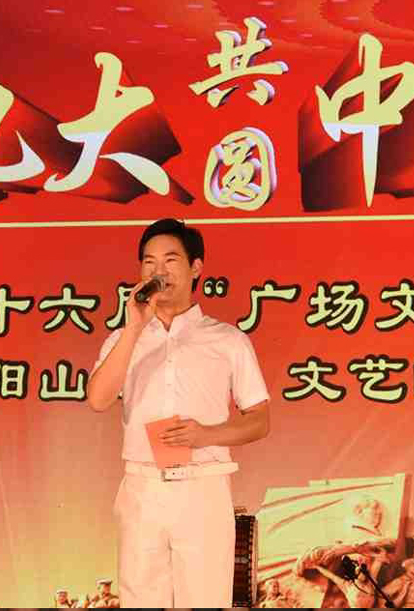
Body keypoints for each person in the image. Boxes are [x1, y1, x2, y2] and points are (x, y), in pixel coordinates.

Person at [87, 219, 271, 607]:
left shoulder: (227, 340)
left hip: (203, 486)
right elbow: (98, 399)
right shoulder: (124, 339)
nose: (159, 271)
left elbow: (260, 419)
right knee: (141, 600)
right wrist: (134, 329)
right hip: (142, 487)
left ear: (196, 267)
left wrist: (207, 435)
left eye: (171, 260)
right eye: (149, 262)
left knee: (205, 599)